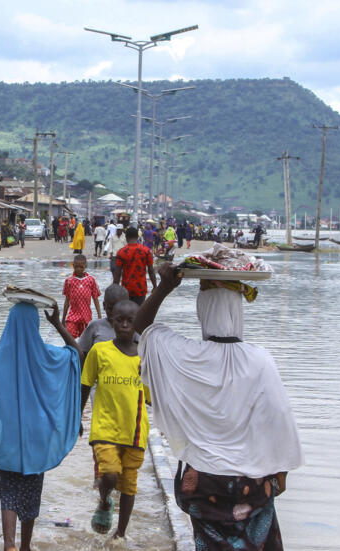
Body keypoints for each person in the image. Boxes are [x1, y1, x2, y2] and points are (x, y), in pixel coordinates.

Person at [133, 264, 303, 551]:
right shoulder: (260, 360)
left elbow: (142, 327)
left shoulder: (184, 355)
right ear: (238, 312)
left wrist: (164, 287)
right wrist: (280, 476)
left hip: (202, 483)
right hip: (253, 482)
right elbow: (279, 418)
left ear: (203, 310)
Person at [0, 301, 82, 551]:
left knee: (9, 493)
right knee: (31, 493)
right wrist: (58, 323)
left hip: (10, 440)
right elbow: (77, 354)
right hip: (39, 437)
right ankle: (25, 546)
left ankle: (9, 544)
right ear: (35, 326)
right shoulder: (46, 355)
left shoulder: (1, 357)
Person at [80, 299, 151, 538]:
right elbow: (85, 384)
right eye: (119, 320)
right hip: (105, 428)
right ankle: (104, 500)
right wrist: (76, 417)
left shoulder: (144, 357)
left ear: (137, 324)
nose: (124, 324)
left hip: (134, 431)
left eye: (130, 321)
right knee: (109, 474)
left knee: (129, 485)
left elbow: (153, 397)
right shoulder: (100, 351)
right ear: (111, 321)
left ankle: (120, 534)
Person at [62, 255, 102, 339]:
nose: (79, 269)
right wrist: (63, 318)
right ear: (73, 265)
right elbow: (67, 301)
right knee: (69, 337)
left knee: (85, 341)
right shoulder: (69, 281)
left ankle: (81, 352)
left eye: (81, 267)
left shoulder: (91, 280)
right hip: (73, 316)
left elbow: (95, 299)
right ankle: (72, 352)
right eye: (76, 267)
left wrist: (99, 317)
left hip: (86, 317)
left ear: (85, 266)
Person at [113, 227, 156, 304]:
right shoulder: (146, 251)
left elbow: (117, 273)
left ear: (126, 237)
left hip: (126, 289)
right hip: (140, 289)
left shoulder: (121, 252)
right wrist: (155, 286)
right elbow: (151, 271)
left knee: (127, 313)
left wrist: (115, 289)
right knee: (139, 313)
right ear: (137, 237)